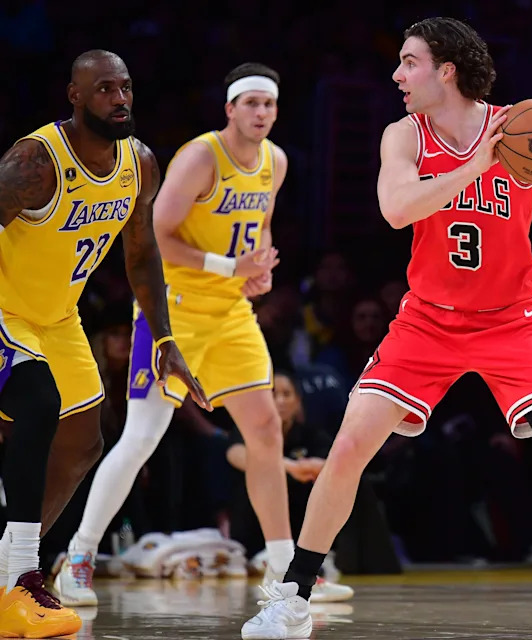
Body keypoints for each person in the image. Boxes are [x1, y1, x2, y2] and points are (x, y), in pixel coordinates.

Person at [242, 17, 532, 640]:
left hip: (513, 322)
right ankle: (293, 598)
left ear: (446, 70)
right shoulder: (404, 136)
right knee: (349, 448)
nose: (398, 74)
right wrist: (477, 166)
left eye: (410, 62)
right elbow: (397, 208)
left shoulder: (523, 127)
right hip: (427, 322)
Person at [54, 62, 296, 607]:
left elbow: (260, 230)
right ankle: (79, 556)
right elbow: (155, 237)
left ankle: (286, 568)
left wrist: (259, 270)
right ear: (230, 108)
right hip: (173, 311)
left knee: (265, 432)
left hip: (231, 312)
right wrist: (226, 264)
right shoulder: (199, 157)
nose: (261, 113)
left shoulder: (275, 163)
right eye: (251, 103)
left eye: (269, 105)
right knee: (141, 437)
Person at [0, 50, 207, 637]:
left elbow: (141, 253)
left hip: (58, 317)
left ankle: (9, 572)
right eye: (104, 90)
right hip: (4, 308)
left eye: (126, 88)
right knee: (38, 404)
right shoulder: (35, 161)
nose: (119, 99)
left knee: (85, 439)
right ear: (74, 95)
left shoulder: (138, 164)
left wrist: (164, 334)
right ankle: (22, 574)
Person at [227, 371, 354, 602]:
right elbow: (235, 454)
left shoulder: (311, 433)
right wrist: (288, 467)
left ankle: (298, 569)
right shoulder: (251, 429)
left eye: (287, 394)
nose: (281, 401)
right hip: (254, 531)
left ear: (298, 401)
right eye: (274, 394)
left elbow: (340, 461)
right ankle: (283, 570)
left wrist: (321, 467)